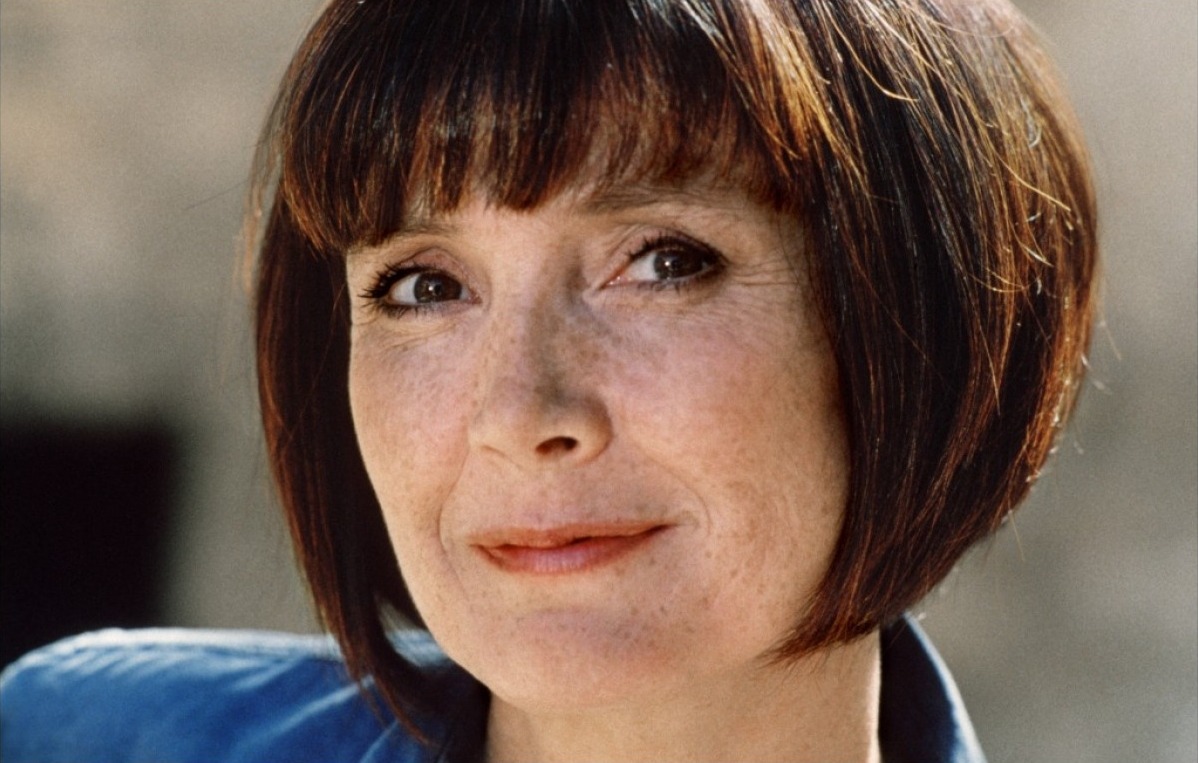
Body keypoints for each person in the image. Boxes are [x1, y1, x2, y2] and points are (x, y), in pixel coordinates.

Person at [0, 0, 1096, 761]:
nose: (521, 413)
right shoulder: (74, 738)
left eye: (663, 263)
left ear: (929, 319)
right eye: (425, 285)